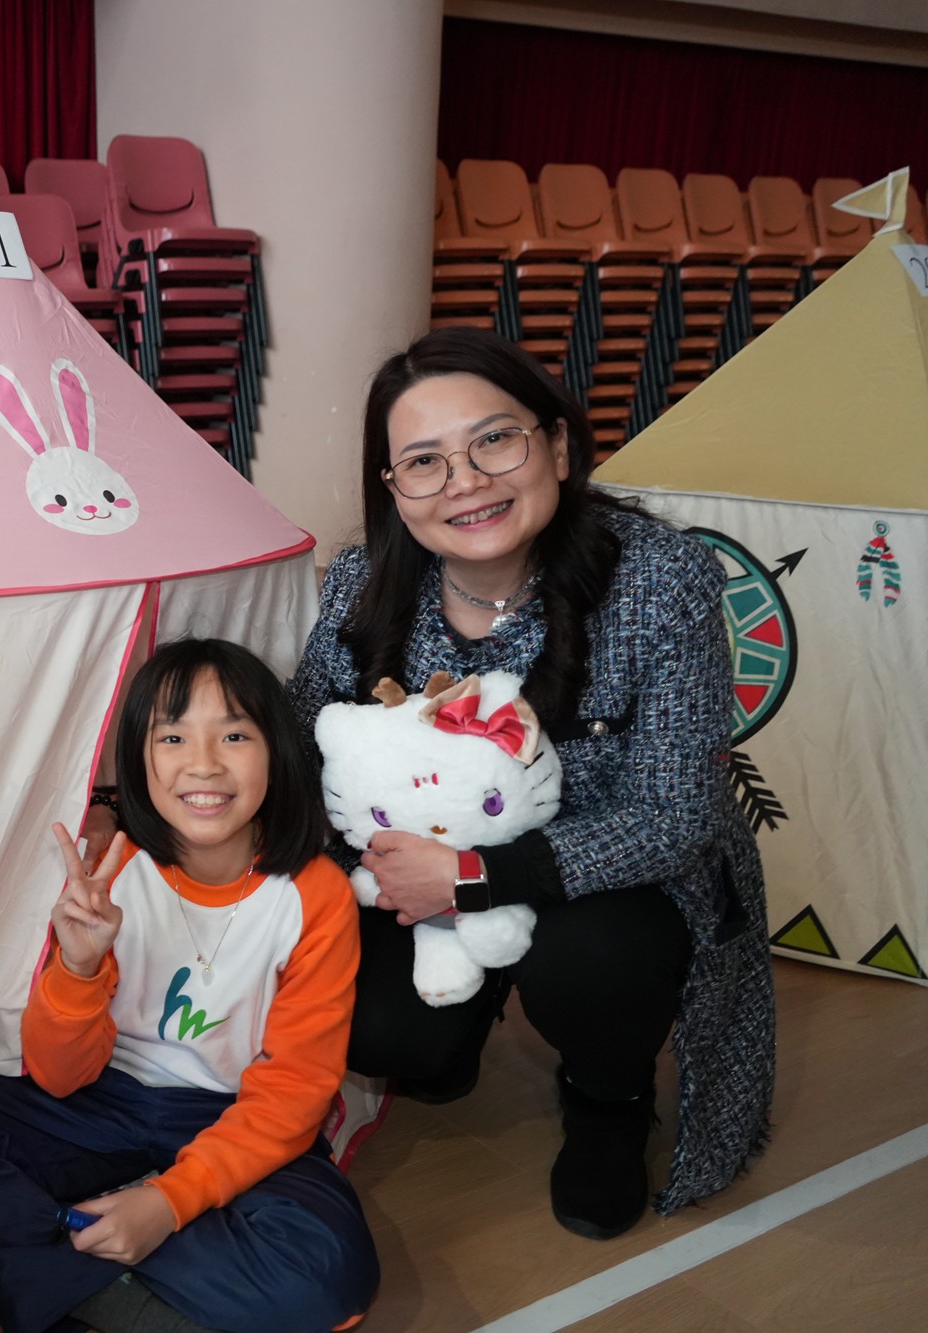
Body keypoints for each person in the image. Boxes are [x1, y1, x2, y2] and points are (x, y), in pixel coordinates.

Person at [287, 327, 774, 1240]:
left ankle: (606, 1097)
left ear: (555, 444)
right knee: (379, 1028)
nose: (465, 480)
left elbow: (675, 816)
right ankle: (449, 1032)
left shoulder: (659, 578)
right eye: (423, 462)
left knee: (589, 965)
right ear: (391, 489)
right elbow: (304, 749)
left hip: (613, 880)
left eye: (493, 440)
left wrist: (472, 876)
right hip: (422, 871)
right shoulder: (362, 580)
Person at [0, 639, 379, 1333]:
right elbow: (59, 1074)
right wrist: (78, 969)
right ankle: (116, 1277)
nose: (203, 763)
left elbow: (292, 1092)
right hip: (97, 1105)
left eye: (234, 735)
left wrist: (168, 1203)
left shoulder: (316, 893)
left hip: (233, 1115)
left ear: (275, 753)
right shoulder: (112, 868)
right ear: (138, 758)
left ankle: (54, 1270)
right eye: (172, 736)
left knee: (327, 1271)